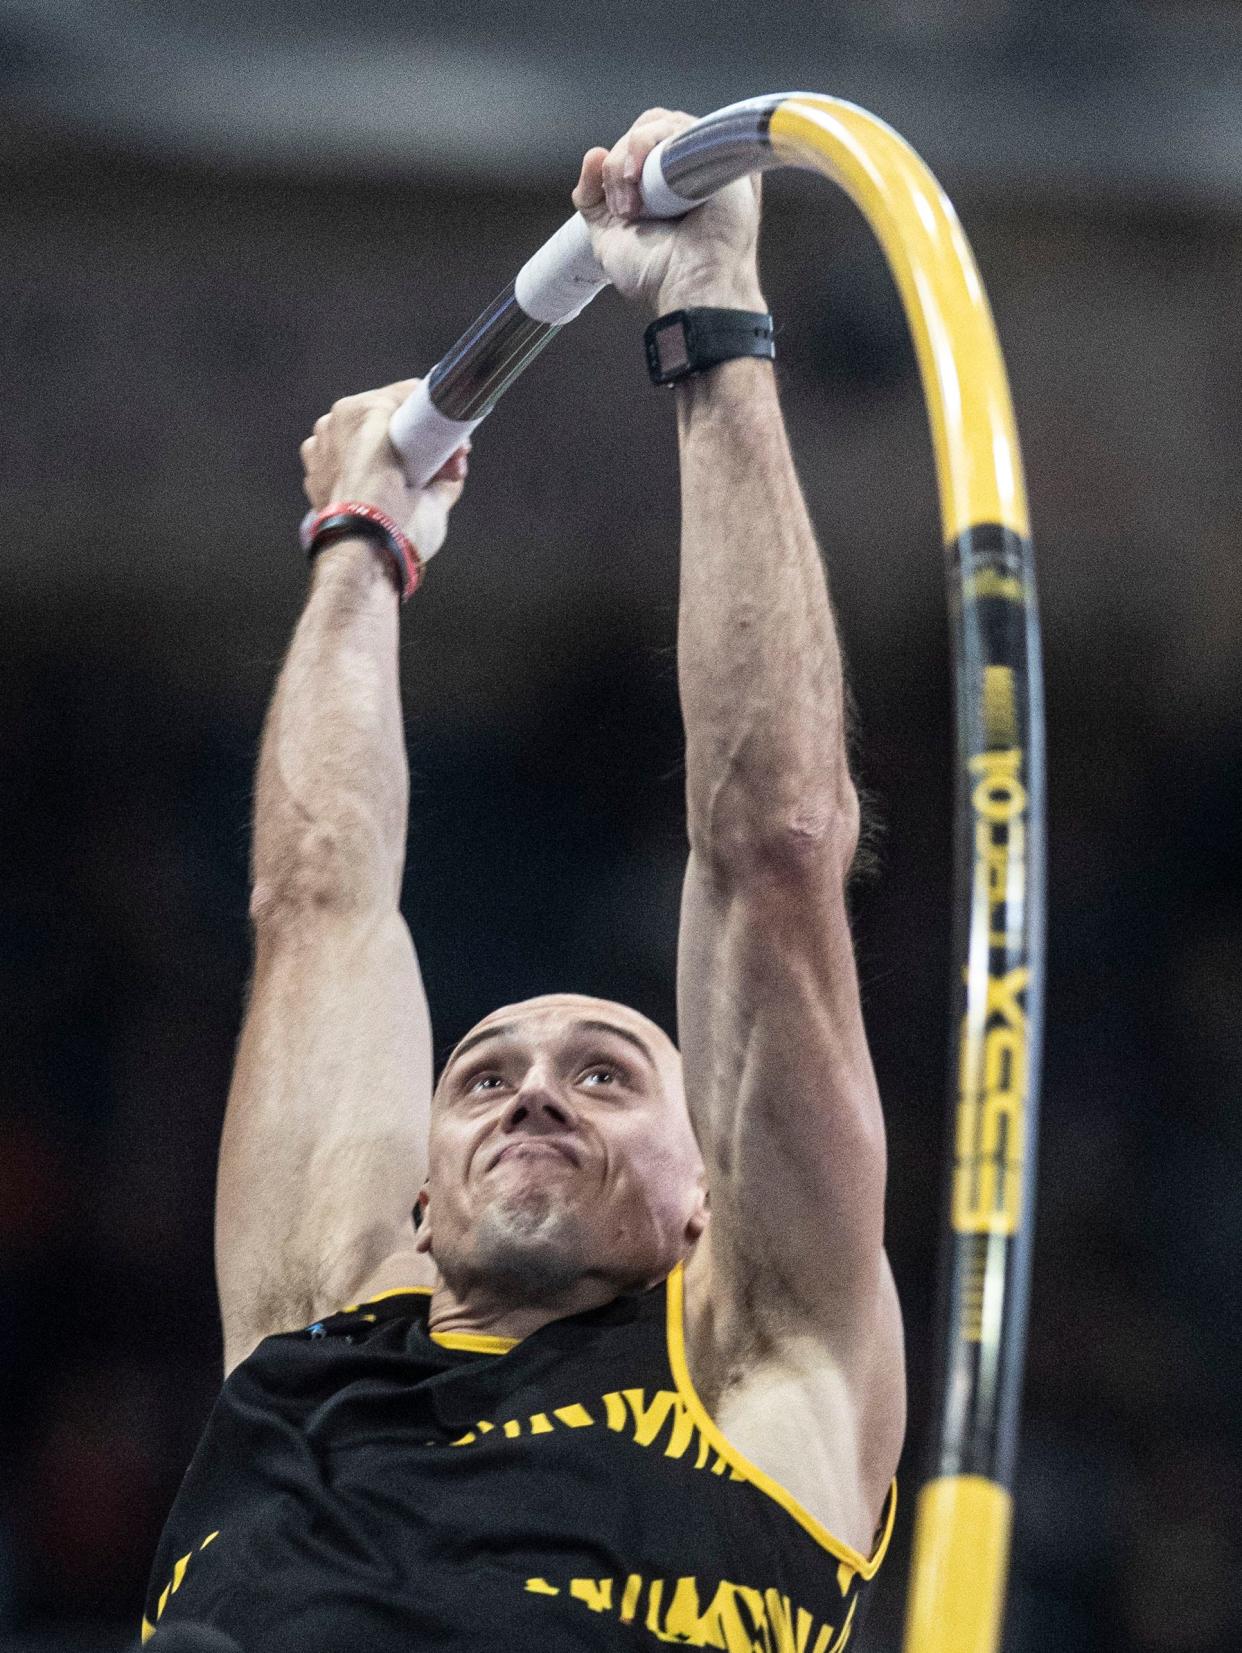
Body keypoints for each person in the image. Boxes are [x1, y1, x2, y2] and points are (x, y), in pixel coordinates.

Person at [140, 109, 906, 1651]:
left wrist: (710, 324)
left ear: (710, 1200)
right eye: (483, 1072)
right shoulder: (312, 1335)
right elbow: (315, 898)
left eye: (609, 1073)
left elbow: (774, 855)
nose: (532, 1090)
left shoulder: (768, 1374)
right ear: (414, 1201)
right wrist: (359, 535)